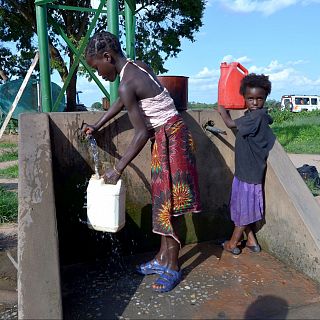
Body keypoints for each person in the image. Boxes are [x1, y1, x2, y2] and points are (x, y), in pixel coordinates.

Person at [83, 31, 201, 292]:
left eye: (97, 68)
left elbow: (141, 132)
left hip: (170, 140)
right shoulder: (137, 67)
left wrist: (117, 168)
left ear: (107, 57)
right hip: (172, 136)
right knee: (163, 199)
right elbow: (122, 103)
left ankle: (173, 265)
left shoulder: (127, 83)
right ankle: (161, 258)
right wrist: (98, 124)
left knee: (171, 203)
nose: (99, 74)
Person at [218, 73, 275, 255]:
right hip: (248, 171)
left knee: (243, 209)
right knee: (244, 206)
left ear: (265, 98)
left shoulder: (256, 117)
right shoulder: (259, 116)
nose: (255, 103)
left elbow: (229, 123)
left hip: (248, 174)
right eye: (250, 99)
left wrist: (222, 109)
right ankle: (251, 241)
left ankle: (232, 243)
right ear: (244, 98)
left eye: (260, 99)